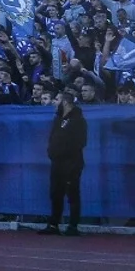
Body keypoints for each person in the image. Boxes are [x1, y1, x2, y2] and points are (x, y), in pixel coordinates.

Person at [42, 90, 87, 236]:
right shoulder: (58, 119)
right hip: (57, 162)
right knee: (55, 193)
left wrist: (63, 152)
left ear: (65, 102)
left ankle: (73, 226)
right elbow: (52, 138)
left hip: (71, 163)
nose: (54, 102)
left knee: (72, 194)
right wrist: (52, 152)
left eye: (57, 100)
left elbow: (80, 142)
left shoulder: (78, 120)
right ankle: (54, 224)